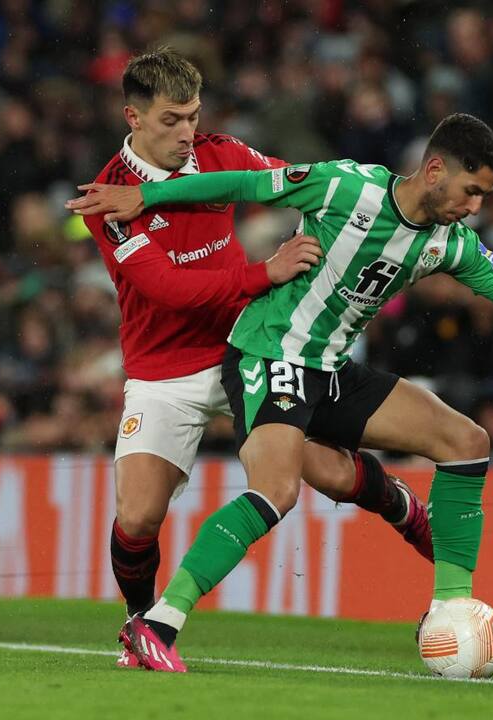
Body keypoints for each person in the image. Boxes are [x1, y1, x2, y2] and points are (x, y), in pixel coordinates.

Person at [68, 112, 493, 673]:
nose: (475, 207)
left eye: (484, 197)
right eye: (471, 191)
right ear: (435, 169)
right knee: (277, 489)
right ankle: (160, 624)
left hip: (328, 368)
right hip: (270, 351)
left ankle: (456, 616)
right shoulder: (343, 188)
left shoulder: (448, 244)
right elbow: (247, 187)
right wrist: (146, 196)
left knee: (467, 441)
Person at [84, 47, 433, 669]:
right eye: (170, 120)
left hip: (249, 346)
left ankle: (401, 504)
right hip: (164, 369)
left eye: (192, 115)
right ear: (132, 117)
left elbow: (300, 183)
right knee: (137, 517)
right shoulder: (112, 196)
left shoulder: (221, 154)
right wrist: (263, 272)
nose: (186, 132)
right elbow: (165, 289)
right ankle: (140, 623)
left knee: (322, 473)